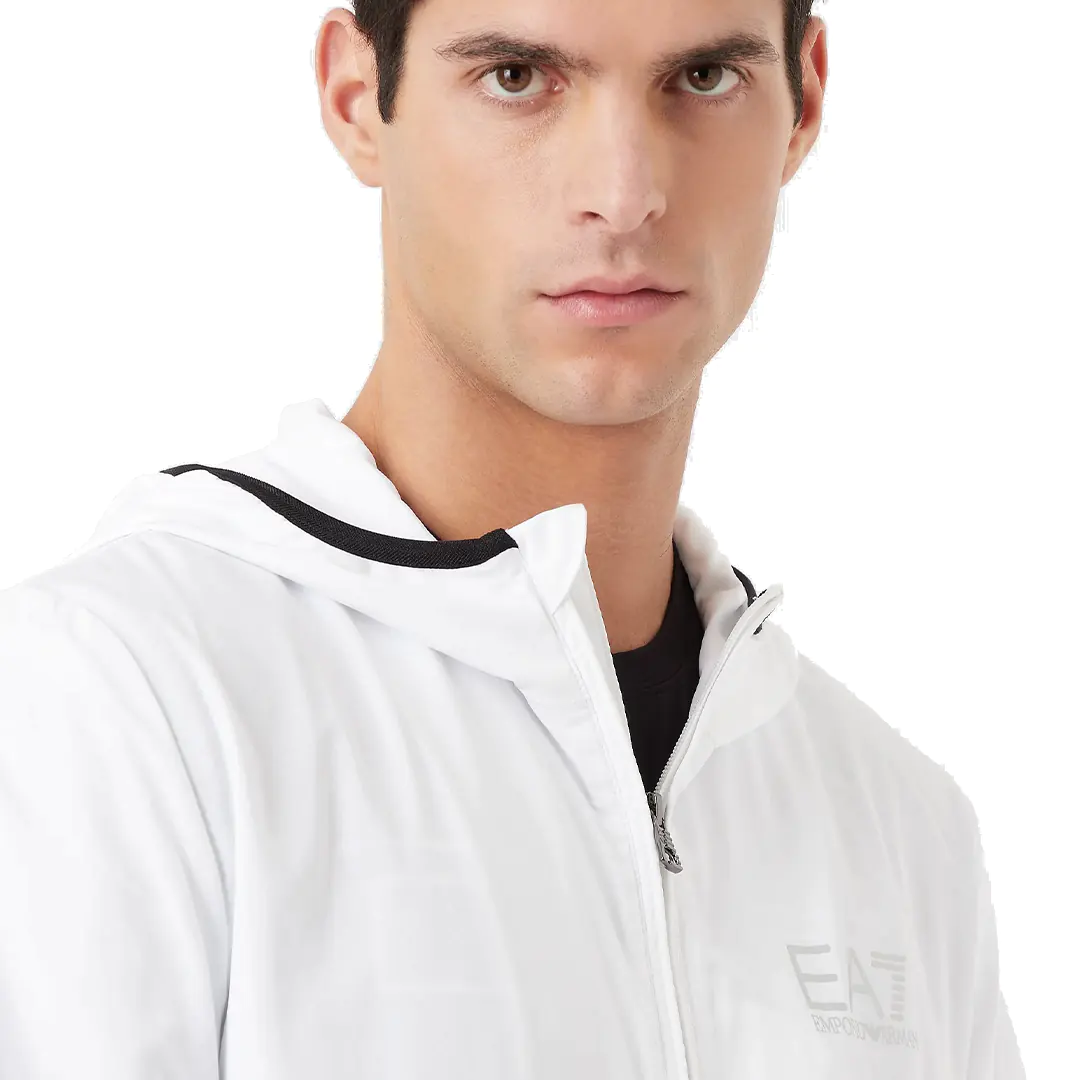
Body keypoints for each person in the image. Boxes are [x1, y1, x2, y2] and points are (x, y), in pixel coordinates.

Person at [0, 1, 1026, 1077]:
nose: (624, 194)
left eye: (704, 78)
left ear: (803, 102)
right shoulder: (112, 705)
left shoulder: (899, 826)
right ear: (358, 98)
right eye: (517, 78)